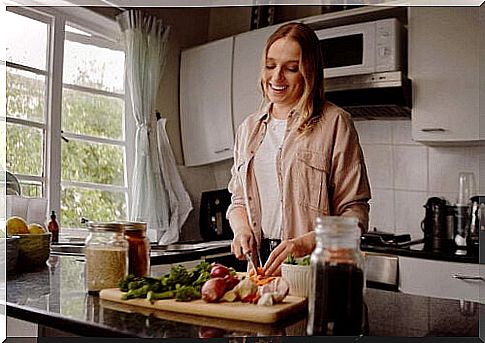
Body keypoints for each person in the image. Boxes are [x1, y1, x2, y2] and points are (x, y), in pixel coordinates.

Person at [226, 22, 371, 276]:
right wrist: (241, 230)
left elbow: (355, 212)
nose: (277, 77)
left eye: (291, 69)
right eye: (270, 66)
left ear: (309, 72)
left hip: (315, 268)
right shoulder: (248, 128)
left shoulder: (335, 123)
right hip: (260, 267)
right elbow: (238, 199)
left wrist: (305, 243)